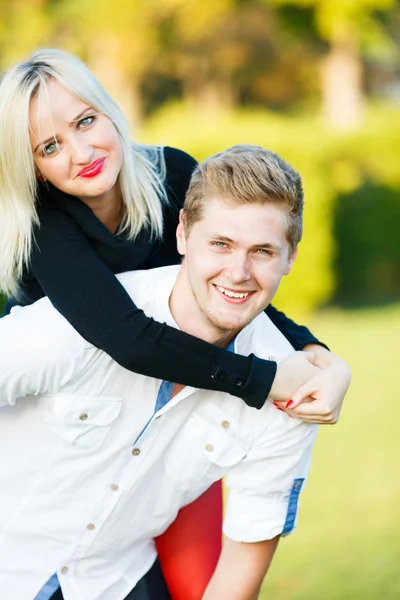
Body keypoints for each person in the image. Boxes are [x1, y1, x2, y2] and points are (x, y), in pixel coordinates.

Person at [0, 49, 348, 597]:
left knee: (196, 575)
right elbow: (124, 337)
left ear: (110, 110)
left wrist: (320, 358)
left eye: (86, 121)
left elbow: (241, 283)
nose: (81, 152)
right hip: (71, 414)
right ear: (34, 166)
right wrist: (262, 380)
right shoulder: (46, 228)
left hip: (181, 415)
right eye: (49, 146)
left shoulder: (171, 176)